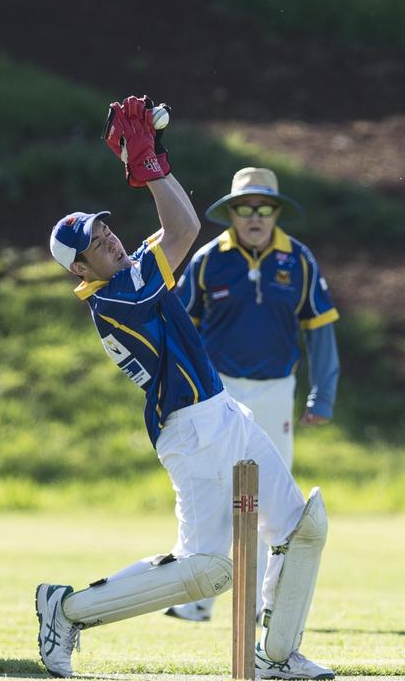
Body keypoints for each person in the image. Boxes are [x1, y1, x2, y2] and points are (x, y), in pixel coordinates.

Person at [36, 95, 334, 680]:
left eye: (109, 232)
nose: (114, 242)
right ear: (79, 269)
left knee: (301, 527)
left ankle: (276, 655)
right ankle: (65, 609)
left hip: (223, 412)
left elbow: (176, 229)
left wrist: (155, 159)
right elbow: (186, 227)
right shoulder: (118, 295)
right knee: (203, 569)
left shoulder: (133, 272)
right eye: (98, 244)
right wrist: (150, 167)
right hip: (191, 431)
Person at [166, 167, 339, 623]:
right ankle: (198, 595)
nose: (256, 217)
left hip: (276, 392)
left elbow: (320, 328)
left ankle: (268, 607)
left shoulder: (298, 261)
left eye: (265, 209)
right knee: (214, 490)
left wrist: (322, 397)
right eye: (246, 209)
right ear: (232, 214)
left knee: (272, 499)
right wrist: (178, 391)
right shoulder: (207, 259)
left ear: (277, 213)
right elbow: (181, 329)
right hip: (218, 393)